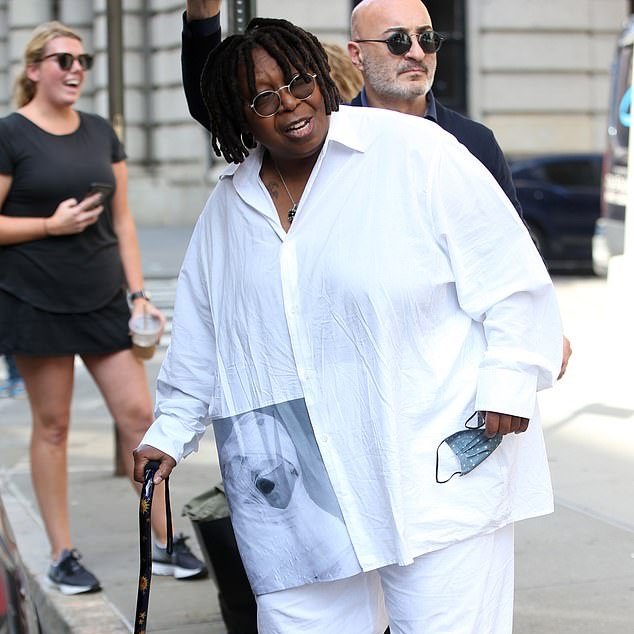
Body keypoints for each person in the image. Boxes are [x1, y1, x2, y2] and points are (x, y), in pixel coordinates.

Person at [134, 17, 563, 633]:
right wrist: (171, 431)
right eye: (263, 98)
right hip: (294, 489)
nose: (290, 105)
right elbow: (204, 335)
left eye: (299, 82)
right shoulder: (228, 209)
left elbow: (510, 278)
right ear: (237, 117)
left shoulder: (414, 152)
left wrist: (511, 380)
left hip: (426, 460)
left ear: (323, 76)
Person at [180, 0, 573, 380]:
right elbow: (232, 107)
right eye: (397, 40)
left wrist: (534, 332)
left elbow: (507, 250)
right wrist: (203, 21)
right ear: (356, 54)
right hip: (356, 362)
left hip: (447, 366)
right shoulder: (323, 135)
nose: (416, 52)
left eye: (427, 38)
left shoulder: (469, 141)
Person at [0, 21, 205, 595]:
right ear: (34, 69)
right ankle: (62, 553)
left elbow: (123, 222)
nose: (75, 70)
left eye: (82, 60)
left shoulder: (99, 132)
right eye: (62, 60)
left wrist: (138, 293)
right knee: (54, 426)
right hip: (35, 300)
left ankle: (164, 540)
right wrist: (49, 225)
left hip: (103, 299)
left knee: (140, 418)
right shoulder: (11, 134)